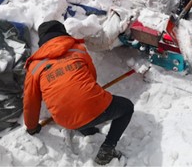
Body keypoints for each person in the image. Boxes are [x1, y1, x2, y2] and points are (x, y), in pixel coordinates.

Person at [23, 20, 134, 165]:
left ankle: (86, 129)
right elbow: (91, 76)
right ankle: (107, 149)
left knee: (76, 110)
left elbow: (31, 102)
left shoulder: (35, 66)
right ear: (62, 33)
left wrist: (32, 127)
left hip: (64, 119)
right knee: (126, 107)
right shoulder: (78, 49)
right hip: (91, 105)